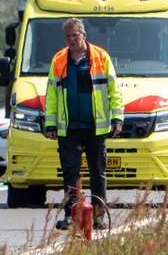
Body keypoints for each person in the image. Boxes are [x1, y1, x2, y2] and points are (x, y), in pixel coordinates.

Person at [43, 17, 122, 231]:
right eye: (67, 36)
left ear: (83, 35)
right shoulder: (59, 60)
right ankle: (71, 216)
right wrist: (50, 123)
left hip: (96, 127)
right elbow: (51, 94)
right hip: (68, 128)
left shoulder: (100, 57)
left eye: (75, 36)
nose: (71, 40)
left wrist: (117, 118)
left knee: (98, 174)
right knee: (71, 174)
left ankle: (97, 217)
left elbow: (114, 90)